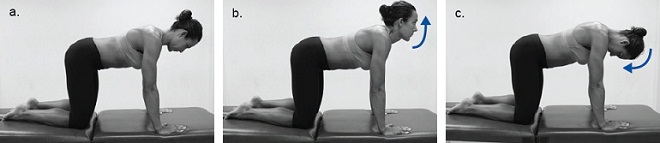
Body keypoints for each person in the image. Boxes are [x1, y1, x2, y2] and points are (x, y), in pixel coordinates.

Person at [225, 1, 418, 135]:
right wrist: (383, 128)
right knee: (304, 120)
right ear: (401, 22)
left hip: (314, 57)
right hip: (309, 55)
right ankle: (247, 112)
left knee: (308, 108)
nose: (416, 28)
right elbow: (377, 88)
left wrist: (378, 113)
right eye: (414, 22)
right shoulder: (382, 38)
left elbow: (376, 86)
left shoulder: (382, 38)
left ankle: (259, 103)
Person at [1, 9, 203, 135]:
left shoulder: (154, 38)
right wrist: (159, 127)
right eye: (187, 45)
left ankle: (37, 105)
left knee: (83, 105)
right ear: (182, 33)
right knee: (80, 121)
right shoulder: (153, 38)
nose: (183, 51)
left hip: (87, 57)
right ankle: (23, 114)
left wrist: (155, 111)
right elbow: (149, 87)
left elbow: (150, 87)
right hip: (83, 56)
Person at [447, 21, 646, 131]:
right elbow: (596, 84)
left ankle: (482, 99)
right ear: (624, 43)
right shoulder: (599, 35)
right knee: (525, 116)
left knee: (528, 102)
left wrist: (599, 108)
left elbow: (596, 84)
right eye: (618, 54)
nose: (612, 55)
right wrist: (603, 123)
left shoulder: (600, 33)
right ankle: (469, 108)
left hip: (533, 55)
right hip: (529, 52)